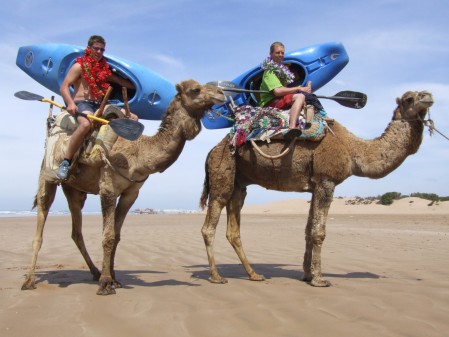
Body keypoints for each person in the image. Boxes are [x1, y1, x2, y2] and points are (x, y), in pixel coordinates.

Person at [57, 35, 135, 180]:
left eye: (102, 50)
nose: (99, 52)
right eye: (96, 48)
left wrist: (139, 87)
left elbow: (119, 81)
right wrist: (70, 103)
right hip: (83, 103)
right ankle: (66, 162)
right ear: (89, 49)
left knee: (133, 117)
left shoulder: (104, 70)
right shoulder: (79, 66)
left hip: (100, 104)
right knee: (86, 124)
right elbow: (64, 87)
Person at [258, 41, 311, 131]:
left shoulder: (281, 72)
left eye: (282, 53)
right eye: (277, 52)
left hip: (279, 100)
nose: (280, 55)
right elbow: (278, 91)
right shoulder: (269, 71)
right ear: (271, 54)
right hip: (270, 102)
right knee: (300, 97)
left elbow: (286, 90)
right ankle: (292, 128)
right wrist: (298, 88)